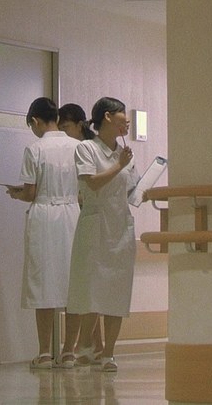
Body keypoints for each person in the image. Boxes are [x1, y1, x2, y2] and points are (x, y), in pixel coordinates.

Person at [61, 97, 137, 373]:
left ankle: (109, 353)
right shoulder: (87, 148)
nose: (127, 122)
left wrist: (147, 188)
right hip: (95, 226)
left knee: (117, 289)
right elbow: (92, 184)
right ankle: (83, 347)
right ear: (107, 117)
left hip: (121, 227)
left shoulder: (124, 152)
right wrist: (119, 165)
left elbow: (131, 189)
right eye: (123, 116)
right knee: (89, 287)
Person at [6, 97, 81, 369]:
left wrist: (17, 194)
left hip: (45, 216)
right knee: (74, 284)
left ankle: (45, 353)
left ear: (36, 121)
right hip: (73, 214)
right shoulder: (78, 147)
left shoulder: (34, 148)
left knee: (43, 283)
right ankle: (69, 352)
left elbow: (31, 192)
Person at [57, 103, 104, 361]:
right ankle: (94, 346)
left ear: (79, 124)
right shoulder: (81, 148)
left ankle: (77, 347)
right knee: (87, 285)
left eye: (66, 127)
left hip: (88, 220)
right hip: (82, 218)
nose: (63, 133)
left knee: (84, 287)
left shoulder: (88, 148)